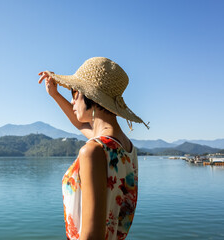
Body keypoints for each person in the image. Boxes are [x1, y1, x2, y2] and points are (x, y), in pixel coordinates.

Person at [38, 57, 149, 240]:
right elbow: (81, 125)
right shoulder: (126, 148)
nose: (72, 101)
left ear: (91, 96)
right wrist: (55, 94)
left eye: (74, 93)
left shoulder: (93, 151)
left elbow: (92, 236)